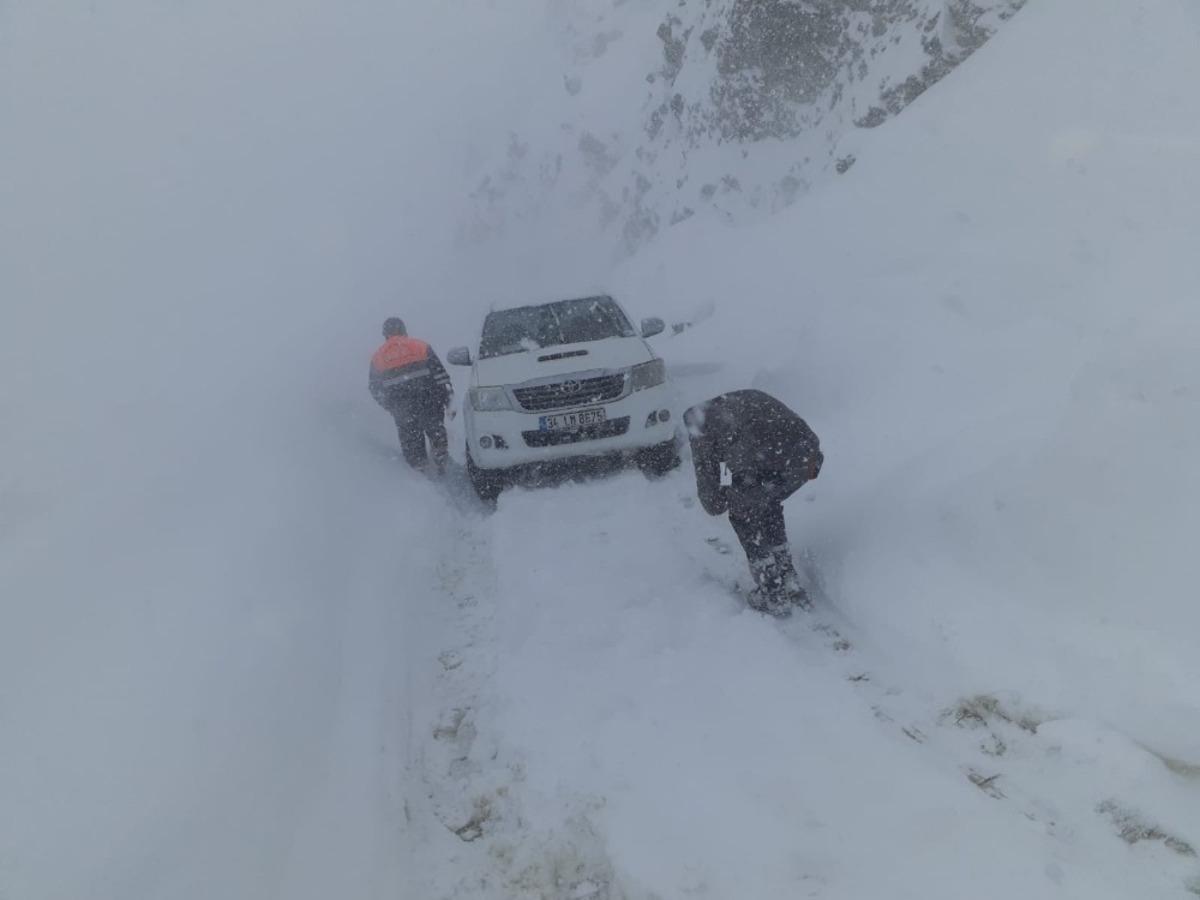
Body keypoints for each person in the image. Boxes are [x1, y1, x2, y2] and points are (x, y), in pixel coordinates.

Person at [684, 389, 823, 616]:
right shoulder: (746, 400)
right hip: (805, 453)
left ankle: (772, 590)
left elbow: (710, 483)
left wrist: (721, 501)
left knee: (743, 516)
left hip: (758, 459)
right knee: (769, 505)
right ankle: (788, 579)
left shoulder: (699, 424)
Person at [369, 317, 453, 473]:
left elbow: (375, 388)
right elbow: (440, 375)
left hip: (402, 408)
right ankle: (441, 460)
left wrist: (390, 406)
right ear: (404, 330)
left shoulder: (378, 357)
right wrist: (447, 398)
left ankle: (420, 473)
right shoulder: (421, 346)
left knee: (411, 440)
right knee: (435, 430)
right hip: (430, 399)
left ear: (385, 334)